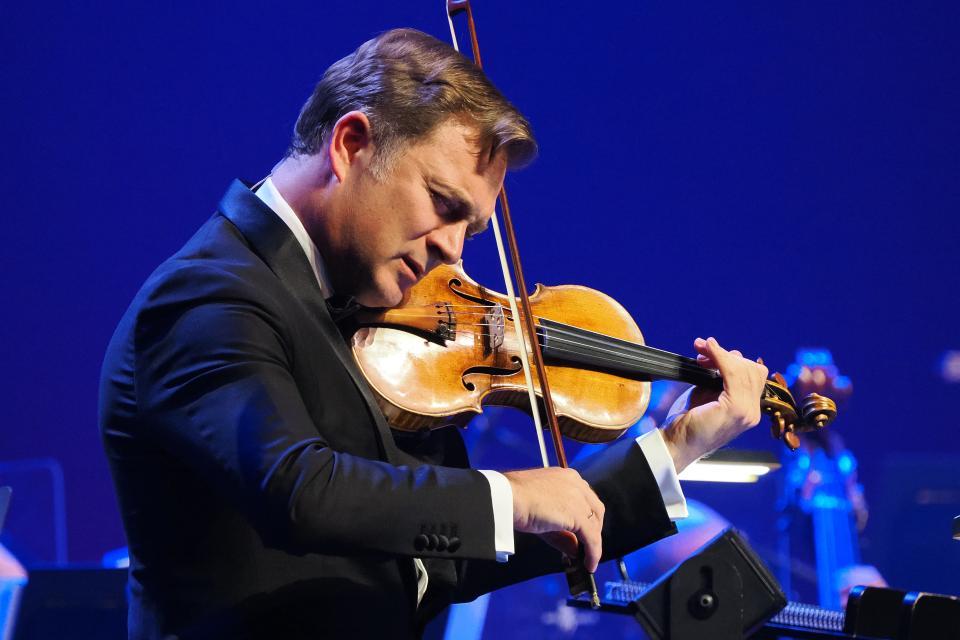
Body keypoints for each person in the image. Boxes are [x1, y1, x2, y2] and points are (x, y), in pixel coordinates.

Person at [99, 28, 769, 640]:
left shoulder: (376, 320)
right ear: (351, 145)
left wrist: (677, 447)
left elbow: (442, 561)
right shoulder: (208, 295)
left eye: (474, 229)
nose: (453, 251)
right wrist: (513, 494)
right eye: (443, 205)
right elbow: (299, 493)